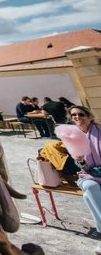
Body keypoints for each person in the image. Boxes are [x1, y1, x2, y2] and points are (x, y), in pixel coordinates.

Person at [70, 105, 101, 251]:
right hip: (89, 174)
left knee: (88, 196)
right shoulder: (73, 136)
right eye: (73, 115)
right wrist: (80, 161)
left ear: (89, 116)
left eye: (81, 114)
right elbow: (79, 164)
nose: (77, 118)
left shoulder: (99, 131)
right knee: (89, 187)